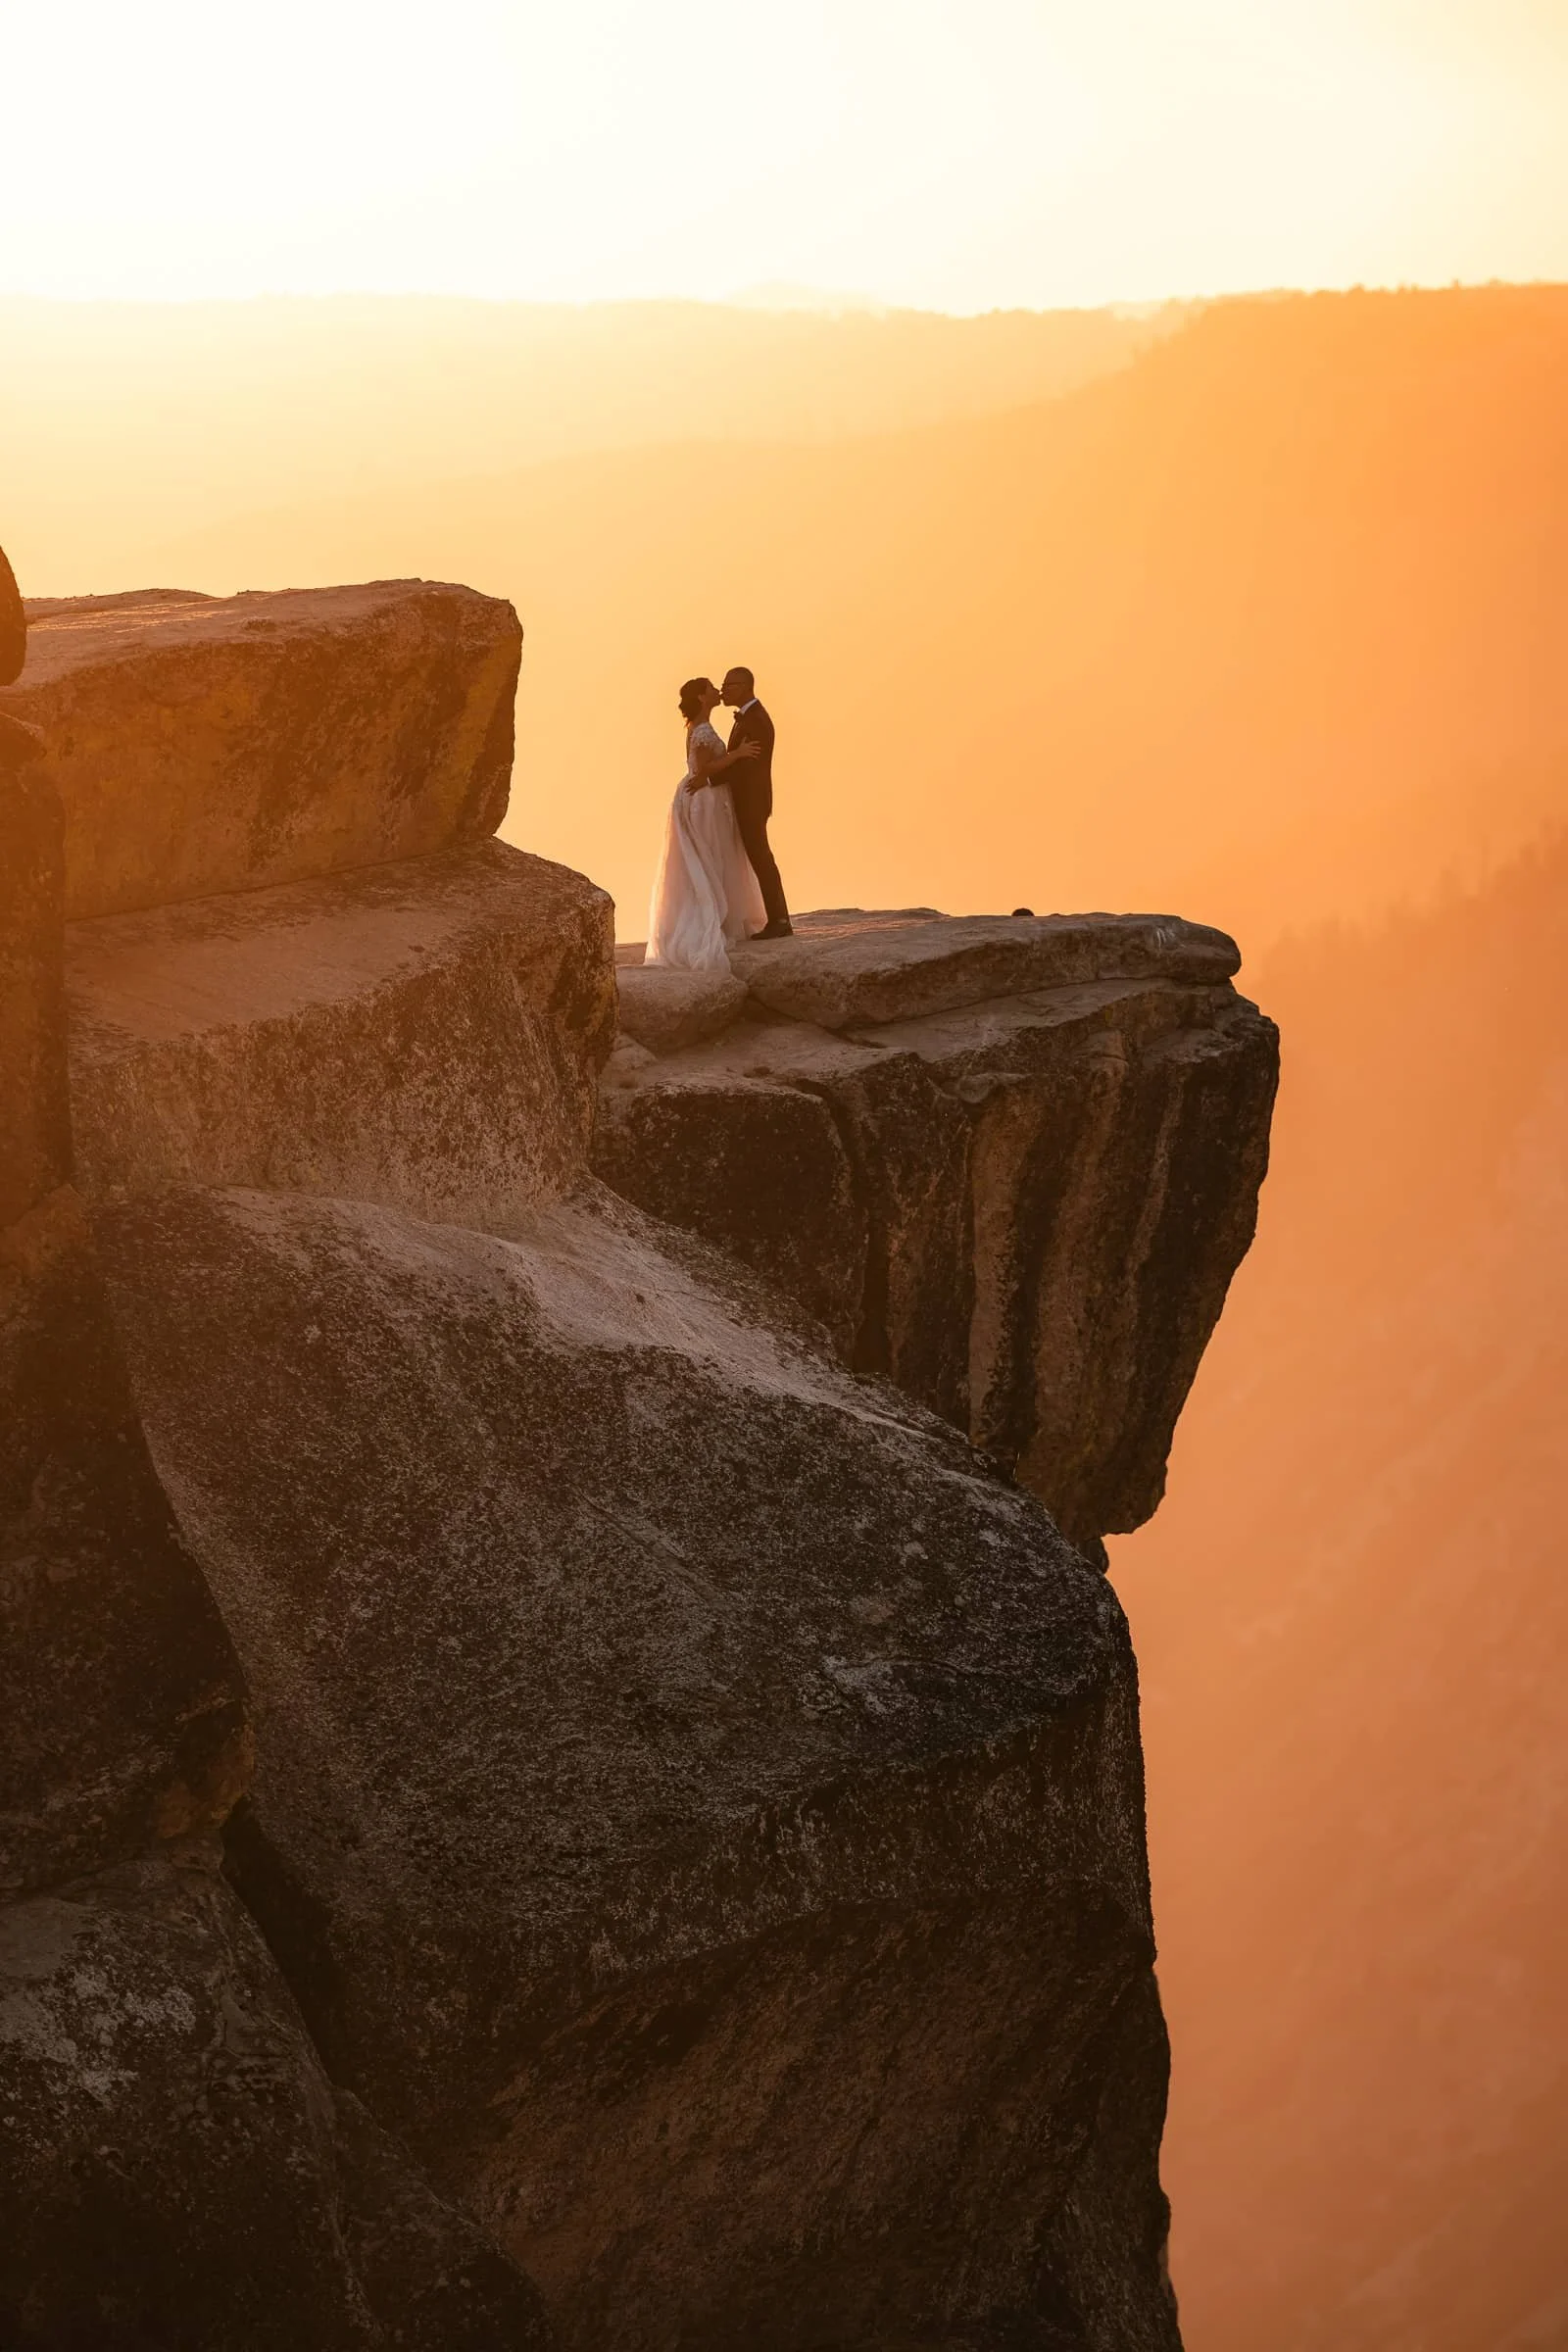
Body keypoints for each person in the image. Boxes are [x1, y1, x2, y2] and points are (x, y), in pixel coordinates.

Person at [645, 676, 767, 970]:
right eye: (711, 688)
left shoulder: (703, 727)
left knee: (718, 856)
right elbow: (702, 769)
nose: (717, 691)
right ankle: (707, 920)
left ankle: (722, 918)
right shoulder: (700, 730)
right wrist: (737, 755)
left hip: (712, 798)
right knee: (709, 856)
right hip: (704, 801)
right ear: (701, 697)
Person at [718, 665, 792, 937]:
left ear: (745, 686)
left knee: (761, 858)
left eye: (728, 685)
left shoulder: (756, 720)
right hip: (746, 800)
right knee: (759, 857)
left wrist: (709, 777)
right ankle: (777, 919)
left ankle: (780, 921)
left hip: (752, 801)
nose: (723, 690)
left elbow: (748, 766)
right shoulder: (746, 718)